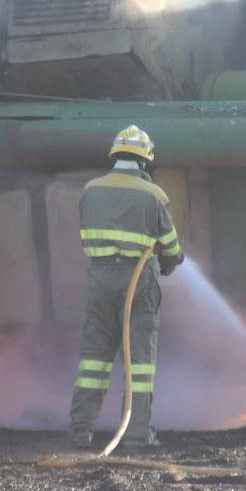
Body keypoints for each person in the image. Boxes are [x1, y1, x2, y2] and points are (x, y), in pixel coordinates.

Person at [69, 124, 183, 449]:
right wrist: (172, 261)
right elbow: (170, 246)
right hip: (137, 280)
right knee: (140, 360)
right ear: (145, 161)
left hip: (99, 278)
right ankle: (135, 434)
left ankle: (81, 429)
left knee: (94, 357)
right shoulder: (154, 195)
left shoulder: (90, 190)